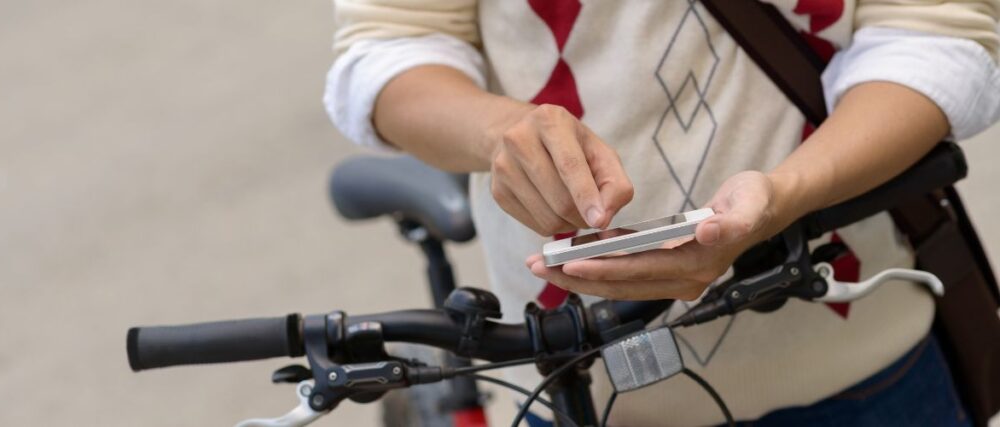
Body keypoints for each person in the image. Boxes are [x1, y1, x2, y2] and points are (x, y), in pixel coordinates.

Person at [324, 1, 1000, 425]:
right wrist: (501, 131)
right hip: (576, 380)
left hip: (865, 373)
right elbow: (388, 47)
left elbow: (938, 30)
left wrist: (789, 191)